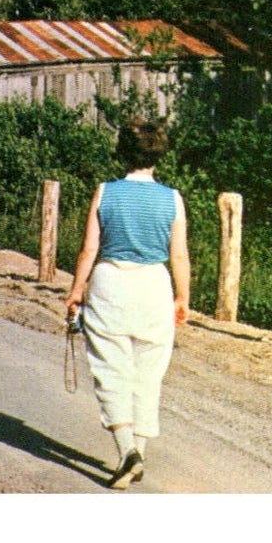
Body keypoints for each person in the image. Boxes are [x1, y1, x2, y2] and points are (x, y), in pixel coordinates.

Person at [64, 118, 190, 489]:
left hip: (110, 283)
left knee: (111, 369)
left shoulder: (105, 192)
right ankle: (139, 453)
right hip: (154, 284)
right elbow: (179, 254)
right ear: (159, 155)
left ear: (122, 153)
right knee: (148, 374)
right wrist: (182, 297)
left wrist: (76, 290)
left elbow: (89, 248)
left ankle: (126, 453)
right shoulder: (173, 198)